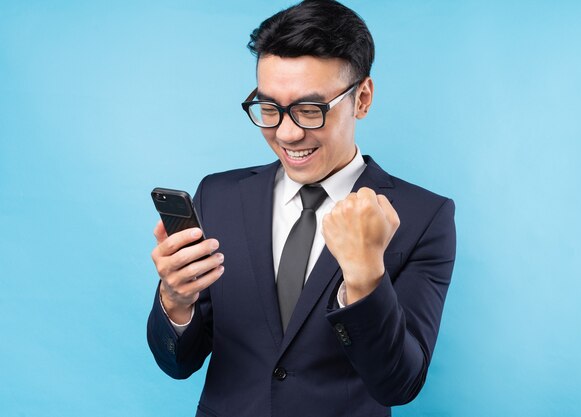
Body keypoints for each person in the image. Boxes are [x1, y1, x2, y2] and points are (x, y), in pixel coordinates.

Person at [147, 1, 456, 416]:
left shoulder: (423, 217)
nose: (288, 133)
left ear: (361, 99)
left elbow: (398, 384)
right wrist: (174, 301)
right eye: (269, 108)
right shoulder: (217, 196)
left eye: (310, 110)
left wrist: (365, 277)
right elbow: (178, 363)